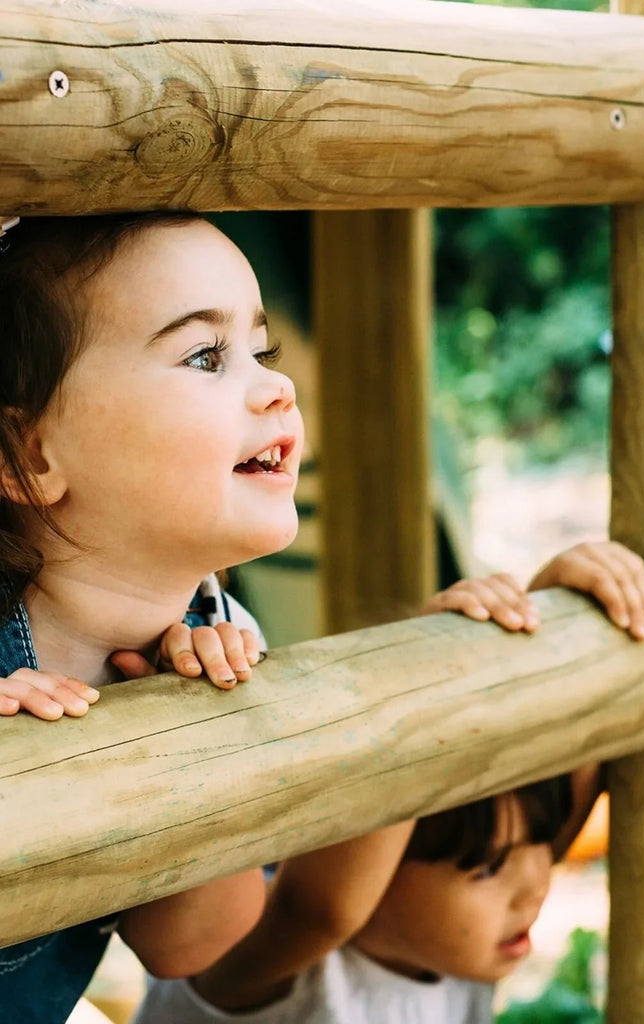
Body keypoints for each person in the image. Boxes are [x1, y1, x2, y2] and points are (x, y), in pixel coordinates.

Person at [132, 541, 644, 1024]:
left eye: (540, 844)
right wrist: (426, 663)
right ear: (377, 868)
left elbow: (569, 785)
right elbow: (327, 908)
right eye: (490, 867)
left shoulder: (450, 950)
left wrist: (548, 611)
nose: (536, 885)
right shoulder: (267, 959)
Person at [0, 211, 305, 1023]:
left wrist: (203, 736)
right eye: (206, 356)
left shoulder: (218, 632)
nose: (278, 385)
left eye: (262, 349)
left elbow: (190, 945)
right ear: (29, 457)